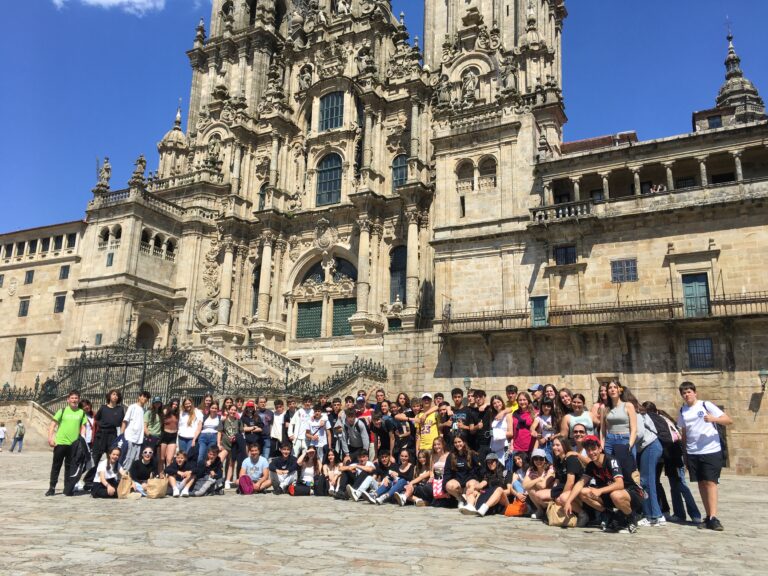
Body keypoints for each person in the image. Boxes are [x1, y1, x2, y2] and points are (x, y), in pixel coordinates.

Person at [677, 381, 732, 531]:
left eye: (689, 391)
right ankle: (708, 516)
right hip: (693, 451)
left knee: (711, 482)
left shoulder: (705, 405)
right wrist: (685, 454)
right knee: (701, 483)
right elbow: (684, 433)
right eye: (684, 393)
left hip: (710, 450)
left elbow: (728, 420)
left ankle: (714, 517)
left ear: (695, 392)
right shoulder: (683, 411)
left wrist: (714, 419)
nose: (686, 394)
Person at [566, 435, 643, 533]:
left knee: (616, 495)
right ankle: (611, 515)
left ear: (600, 448)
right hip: (611, 494)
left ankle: (631, 518)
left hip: (631, 493)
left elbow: (620, 484)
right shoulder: (591, 465)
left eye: (593, 449)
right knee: (583, 492)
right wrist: (569, 501)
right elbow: (580, 483)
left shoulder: (611, 460)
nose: (591, 453)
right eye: (588, 450)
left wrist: (599, 490)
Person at [643, 401, 701, 524]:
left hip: (671, 455)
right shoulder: (663, 418)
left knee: (679, 485)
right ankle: (678, 513)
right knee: (674, 485)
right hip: (669, 455)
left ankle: (694, 514)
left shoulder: (656, 419)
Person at [46, 390, 87, 496]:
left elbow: (83, 427)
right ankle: (52, 487)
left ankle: (67, 488)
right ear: (68, 400)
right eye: (72, 398)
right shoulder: (62, 411)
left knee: (69, 467)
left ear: (78, 399)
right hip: (60, 442)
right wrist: (50, 438)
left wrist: (82, 439)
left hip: (73, 444)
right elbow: (53, 424)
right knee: (56, 466)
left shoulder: (81, 412)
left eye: (76, 398)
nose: (74, 400)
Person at [83, 389, 124, 490]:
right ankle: (89, 480)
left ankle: (110, 478)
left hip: (113, 434)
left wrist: (122, 435)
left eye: (117, 395)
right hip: (101, 435)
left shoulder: (120, 409)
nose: (115, 396)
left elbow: (122, 422)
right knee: (95, 458)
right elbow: (96, 419)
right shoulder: (103, 408)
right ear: (109, 396)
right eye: (113, 394)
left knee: (112, 458)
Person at [600, 380, 637, 464]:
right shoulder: (604, 408)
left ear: (619, 390)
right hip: (610, 441)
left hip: (625, 440)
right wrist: (602, 445)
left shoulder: (628, 405)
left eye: (615, 387)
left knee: (628, 470)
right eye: (610, 388)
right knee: (611, 469)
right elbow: (602, 429)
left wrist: (629, 445)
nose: (612, 389)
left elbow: (634, 429)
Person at [444, 435, 481, 508]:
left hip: (469, 479)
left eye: (459, 442)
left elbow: (478, 469)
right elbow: (447, 471)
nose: (457, 444)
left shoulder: (472, 453)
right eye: (455, 442)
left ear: (464, 442)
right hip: (458, 481)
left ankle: (470, 504)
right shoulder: (451, 455)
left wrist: (477, 480)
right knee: (449, 485)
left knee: (472, 484)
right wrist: (444, 488)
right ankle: (461, 499)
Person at [120, 390, 150, 470]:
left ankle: (129, 476)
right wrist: (121, 435)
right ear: (139, 397)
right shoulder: (132, 407)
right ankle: (121, 478)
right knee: (127, 458)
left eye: (147, 397)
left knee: (134, 459)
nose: (145, 398)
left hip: (139, 439)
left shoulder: (145, 410)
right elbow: (125, 420)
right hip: (130, 436)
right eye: (143, 396)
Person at [523, 448, 554, 518]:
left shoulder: (550, 468)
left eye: (541, 458)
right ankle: (540, 510)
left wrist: (531, 482)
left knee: (530, 486)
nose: (538, 461)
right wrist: (539, 479)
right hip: (539, 494)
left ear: (545, 459)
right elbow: (524, 485)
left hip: (549, 493)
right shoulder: (531, 469)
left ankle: (548, 510)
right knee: (529, 489)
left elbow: (543, 486)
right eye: (535, 459)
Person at [219, 404, 243, 489]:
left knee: (231, 463)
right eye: (231, 410)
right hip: (225, 444)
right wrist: (219, 443)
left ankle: (227, 480)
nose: (233, 411)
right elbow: (219, 432)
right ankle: (218, 479)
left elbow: (241, 433)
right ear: (228, 410)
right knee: (219, 460)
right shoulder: (223, 421)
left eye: (234, 410)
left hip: (234, 445)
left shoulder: (238, 421)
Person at [197, 401, 222, 466]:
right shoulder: (204, 417)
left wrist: (219, 444)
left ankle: (207, 472)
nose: (214, 409)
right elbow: (199, 428)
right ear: (209, 408)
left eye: (215, 408)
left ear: (218, 409)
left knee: (210, 456)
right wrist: (194, 439)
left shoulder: (219, 418)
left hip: (213, 437)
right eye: (212, 408)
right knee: (201, 455)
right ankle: (199, 472)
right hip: (203, 437)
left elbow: (219, 431)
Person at [511, 392, 536, 457]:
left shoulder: (535, 413)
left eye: (524, 400)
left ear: (528, 400)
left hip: (530, 447)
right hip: (517, 447)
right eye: (520, 400)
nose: (522, 402)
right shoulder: (515, 413)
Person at [488, 395, 514, 460]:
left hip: (504, 448)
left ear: (502, 402)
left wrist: (496, 434)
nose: (497, 404)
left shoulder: (508, 415)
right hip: (494, 448)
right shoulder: (492, 416)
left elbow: (511, 433)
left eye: (498, 402)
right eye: (494, 403)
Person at [143, 397, 163, 473]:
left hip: (158, 437)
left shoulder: (161, 414)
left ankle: (154, 472)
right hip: (151, 436)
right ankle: (146, 472)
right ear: (153, 403)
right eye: (156, 402)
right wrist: (148, 434)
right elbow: (145, 425)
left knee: (156, 457)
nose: (157, 404)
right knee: (148, 455)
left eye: (159, 402)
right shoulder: (149, 412)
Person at [159, 398, 179, 470]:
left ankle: (168, 474)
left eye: (176, 404)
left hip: (173, 437)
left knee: (169, 459)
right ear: (170, 404)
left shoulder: (177, 414)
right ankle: (161, 473)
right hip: (164, 435)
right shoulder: (165, 411)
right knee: (161, 458)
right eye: (173, 404)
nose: (175, 406)